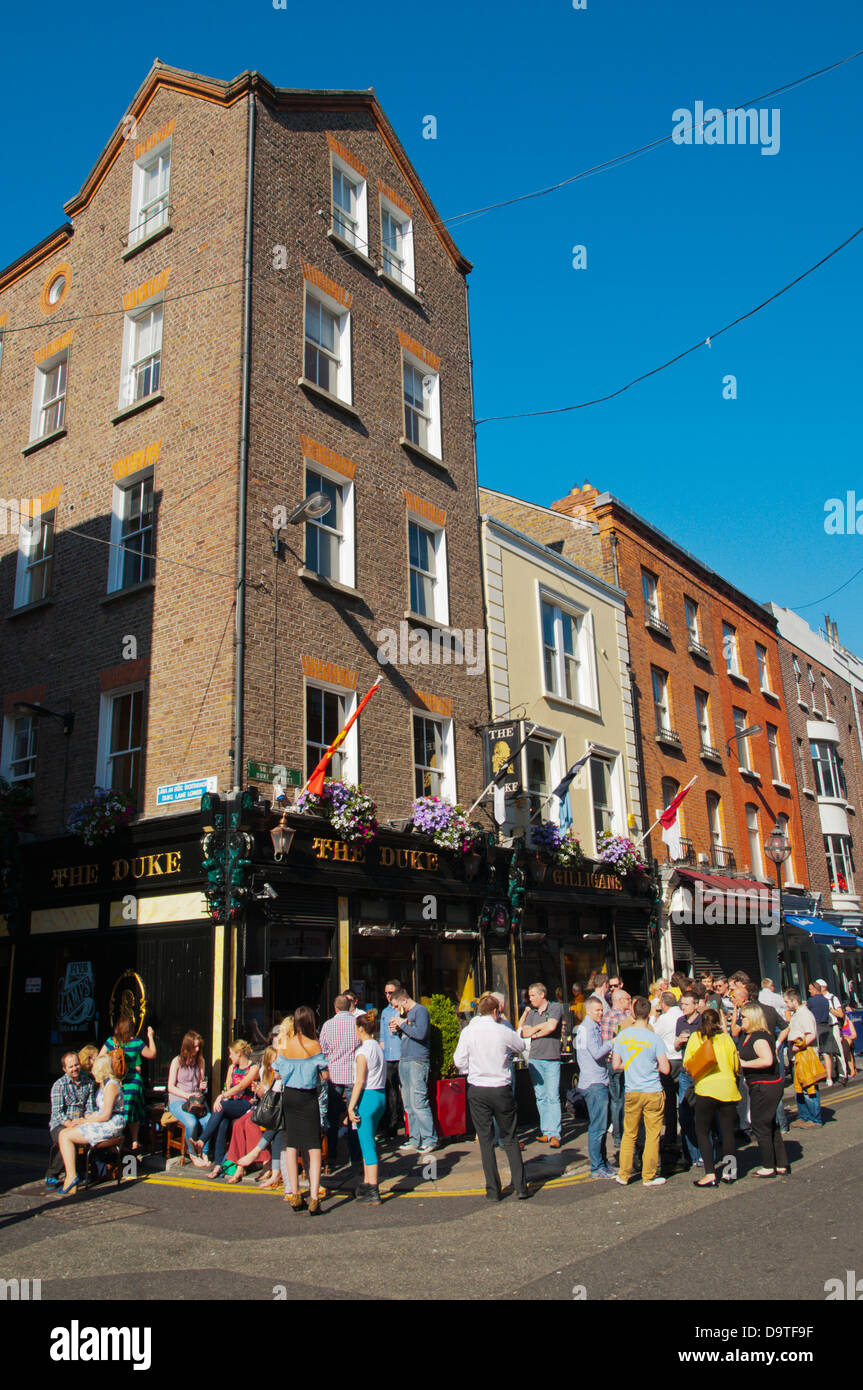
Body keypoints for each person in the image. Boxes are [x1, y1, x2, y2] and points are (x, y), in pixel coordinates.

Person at [454, 994, 530, 1200]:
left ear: (480, 1011)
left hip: (478, 1088)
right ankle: (521, 1187)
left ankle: (493, 1191)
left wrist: (473, 1068)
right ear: (496, 1012)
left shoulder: (469, 1032)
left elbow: (458, 1060)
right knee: (510, 1138)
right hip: (500, 1087)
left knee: (486, 1141)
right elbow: (521, 1046)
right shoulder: (502, 1030)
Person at [276, 1005, 329, 1214]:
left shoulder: (285, 1045)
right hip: (308, 1098)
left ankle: (296, 1194)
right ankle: (314, 1197)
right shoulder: (314, 1045)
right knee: (313, 1146)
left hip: (289, 1096)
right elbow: (325, 1076)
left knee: (291, 1145)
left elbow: (278, 1073)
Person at [612, 996, 670, 1187]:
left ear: (634, 1013)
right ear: (650, 1013)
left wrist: (630, 1064)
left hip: (632, 1090)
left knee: (629, 1133)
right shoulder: (654, 1039)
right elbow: (665, 1069)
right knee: (653, 1135)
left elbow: (616, 1065)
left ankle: (623, 1174)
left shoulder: (622, 1035)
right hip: (652, 1090)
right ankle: (649, 1176)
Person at [683, 1007, 740, 1187]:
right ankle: (729, 1172)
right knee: (728, 1132)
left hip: (706, 1089)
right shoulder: (726, 1039)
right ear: (717, 1022)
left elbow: (687, 1065)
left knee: (702, 1131)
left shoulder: (696, 1038)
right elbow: (736, 1065)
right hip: (728, 1088)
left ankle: (709, 1173)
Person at [55, 1054, 126, 1195]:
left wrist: (84, 1121)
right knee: (63, 1134)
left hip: (112, 1124)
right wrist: (86, 1118)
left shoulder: (112, 1085)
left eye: (94, 1068)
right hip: (105, 1121)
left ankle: (71, 1177)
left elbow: (106, 1114)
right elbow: (99, 1112)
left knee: (65, 1137)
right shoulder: (104, 1084)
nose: (92, 1071)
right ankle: (72, 1177)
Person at [191, 1041, 259, 1170]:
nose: (229, 1057)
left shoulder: (253, 1068)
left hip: (246, 1103)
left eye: (231, 1054)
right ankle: (217, 1164)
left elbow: (241, 1086)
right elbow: (227, 1086)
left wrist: (221, 1097)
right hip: (232, 1103)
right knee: (222, 1122)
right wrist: (223, 1096)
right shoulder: (232, 1068)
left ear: (239, 1054)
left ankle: (202, 1140)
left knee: (222, 1107)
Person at [738, 1003, 789, 1177]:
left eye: (743, 1017)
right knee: (769, 1124)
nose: (740, 1019)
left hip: (764, 1085)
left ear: (751, 1018)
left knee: (760, 1124)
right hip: (761, 1085)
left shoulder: (758, 1037)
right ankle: (781, 1163)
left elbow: (767, 1060)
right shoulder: (752, 1035)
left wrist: (744, 1064)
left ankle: (768, 1166)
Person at [222, 1046, 282, 1183]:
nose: (276, 1062)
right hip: (262, 1107)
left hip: (272, 1110)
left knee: (250, 1123)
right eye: (274, 1059)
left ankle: (266, 1162)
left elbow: (275, 1097)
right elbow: (263, 1097)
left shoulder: (279, 1074)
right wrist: (258, 1091)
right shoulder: (263, 1071)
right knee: (238, 1124)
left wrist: (263, 1093)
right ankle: (239, 1166)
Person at [389, 988, 437, 1155]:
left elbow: (421, 1034)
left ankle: (430, 1139)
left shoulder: (420, 1011)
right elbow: (410, 1034)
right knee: (408, 1104)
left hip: (418, 1060)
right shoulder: (407, 1016)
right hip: (405, 1059)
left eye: (396, 1006)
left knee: (419, 1101)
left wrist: (403, 1024)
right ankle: (415, 1139)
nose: (396, 1009)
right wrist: (397, 1030)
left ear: (404, 1000)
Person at [99, 1015, 156, 1152]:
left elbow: (100, 1058)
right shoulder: (137, 1043)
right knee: (132, 1113)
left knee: (118, 1112)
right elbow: (152, 1054)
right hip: (132, 1083)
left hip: (117, 1083)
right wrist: (151, 1036)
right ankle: (135, 1141)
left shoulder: (110, 1042)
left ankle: (119, 1140)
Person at [347, 1013, 388, 1204]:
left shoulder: (362, 1052)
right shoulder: (378, 1047)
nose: (355, 1032)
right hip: (380, 1095)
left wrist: (351, 1106)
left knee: (367, 1145)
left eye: (356, 1028)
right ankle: (366, 1182)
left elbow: (360, 1081)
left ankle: (372, 1187)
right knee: (369, 1140)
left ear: (361, 1029)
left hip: (367, 1097)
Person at [518, 982, 564, 1148]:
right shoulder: (532, 1012)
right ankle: (546, 1131)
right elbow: (524, 1032)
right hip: (535, 1058)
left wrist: (535, 1033)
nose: (530, 999)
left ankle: (555, 1134)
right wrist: (539, 1028)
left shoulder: (555, 1007)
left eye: (532, 995)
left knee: (553, 1096)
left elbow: (552, 1026)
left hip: (551, 1058)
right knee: (541, 1097)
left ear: (542, 994)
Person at [319, 995, 362, 1171]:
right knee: (354, 1117)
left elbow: (322, 1051)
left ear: (335, 1009)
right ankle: (355, 1157)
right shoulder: (357, 1024)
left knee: (331, 1118)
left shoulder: (328, 1025)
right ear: (350, 1006)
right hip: (353, 1075)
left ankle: (332, 1157)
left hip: (334, 1076)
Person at [575, 997, 616, 1178]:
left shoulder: (591, 1028)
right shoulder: (587, 1028)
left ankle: (604, 1163)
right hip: (594, 1083)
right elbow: (597, 1052)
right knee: (598, 1127)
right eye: (598, 1010)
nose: (601, 1013)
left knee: (602, 1126)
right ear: (589, 1011)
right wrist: (613, 1042)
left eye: (602, 1010)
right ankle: (597, 1167)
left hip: (598, 1080)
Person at [46, 1052, 97, 1187]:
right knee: (68, 1139)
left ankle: (84, 1171)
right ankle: (52, 1174)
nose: (75, 1068)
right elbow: (57, 1113)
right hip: (60, 1124)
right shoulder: (59, 1085)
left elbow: (90, 1108)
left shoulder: (89, 1083)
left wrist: (86, 1120)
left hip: (80, 1123)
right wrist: (70, 1125)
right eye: (71, 1067)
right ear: (64, 1069)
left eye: (76, 1065)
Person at [674, 989, 704, 1168]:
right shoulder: (680, 1021)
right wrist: (679, 1041)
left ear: (695, 1005)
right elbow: (676, 1046)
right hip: (686, 1072)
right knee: (684, 1114)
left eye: (686, 1004)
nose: (683, 1007)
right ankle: (692, 1155)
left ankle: (705, 1154)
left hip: (701, 1072)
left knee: (701, 1115)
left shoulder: (702, 1022)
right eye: (681, 1004)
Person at [166, 1031, 209, 1153]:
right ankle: (193, 1153)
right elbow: (170, 1087)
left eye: (198, 1046)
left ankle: (204, 1152)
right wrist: (187, 1095)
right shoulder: (177, 1061)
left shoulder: (200, 1061)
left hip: (195, 1100)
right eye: (194, 1046)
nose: (196, 1049)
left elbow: (201, 1086)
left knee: (209, 1121)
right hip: (178, 1100)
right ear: (187, 1046)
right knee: (191, 1123)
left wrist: (202, 1085)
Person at [785, 988, 822, 1127]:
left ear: (795, 1000)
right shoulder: (796, 1014)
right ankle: (805, 1117)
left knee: (809, 1087)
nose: (786, 1005)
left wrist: (798, 1046)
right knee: (799, 1088)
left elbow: (811, 1034)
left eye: (787, 1002)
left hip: (805, 1055)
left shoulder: (805, 1015)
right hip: (798, 1057)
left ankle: (815, 1119)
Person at [602, 987, 632, 1157]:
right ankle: (619, 1135)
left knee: (619, 1099)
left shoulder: (611, 1015)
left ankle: (620, 1134)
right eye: (628, 999)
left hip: (617, 1063)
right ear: (620, 1001)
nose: (630, 1002)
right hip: (618, 1063)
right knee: (620, 1100)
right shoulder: (617, 1016)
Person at [652, 991, 683, 1152]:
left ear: (663, 1004)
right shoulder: (682, 1014)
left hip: (668, 1060)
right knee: (684, 1099)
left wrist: (653, 1016)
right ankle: (686, 1134)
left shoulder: (664, 1019)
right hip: (682, 1059)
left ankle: (671, 1136)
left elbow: (653, 1033)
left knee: (670, 1101)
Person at [378, 979, 404, 1141]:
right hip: (388, 1055)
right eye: (386, 992)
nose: (388, 995)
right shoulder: (385, 1012)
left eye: (391, 992)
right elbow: (382, 1036)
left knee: (406, 1090)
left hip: (402, 1054)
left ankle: (408, 1126)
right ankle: (392, 1126)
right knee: (390, 1091)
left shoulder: (403, 1009)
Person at [818, 980, 848, 1084]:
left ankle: (843, 1073)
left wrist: (829, 1009)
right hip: (824, 1026)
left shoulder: (832, 998)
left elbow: (840, 1014)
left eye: (818, 987)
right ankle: (832, 1074)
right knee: (827, 1052)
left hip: (833, 1026)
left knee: (838, 1050)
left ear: (824, 987)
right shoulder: (818, 999)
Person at [841, 1009, 858, 1079]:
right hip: (843, 1041)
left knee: (847, 1047)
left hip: (850, 1041)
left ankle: (852, 1070)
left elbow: (854, 1035)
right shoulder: (838, 1025)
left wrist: (847, 1037)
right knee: (845, 1046)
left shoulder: (849, 1022)